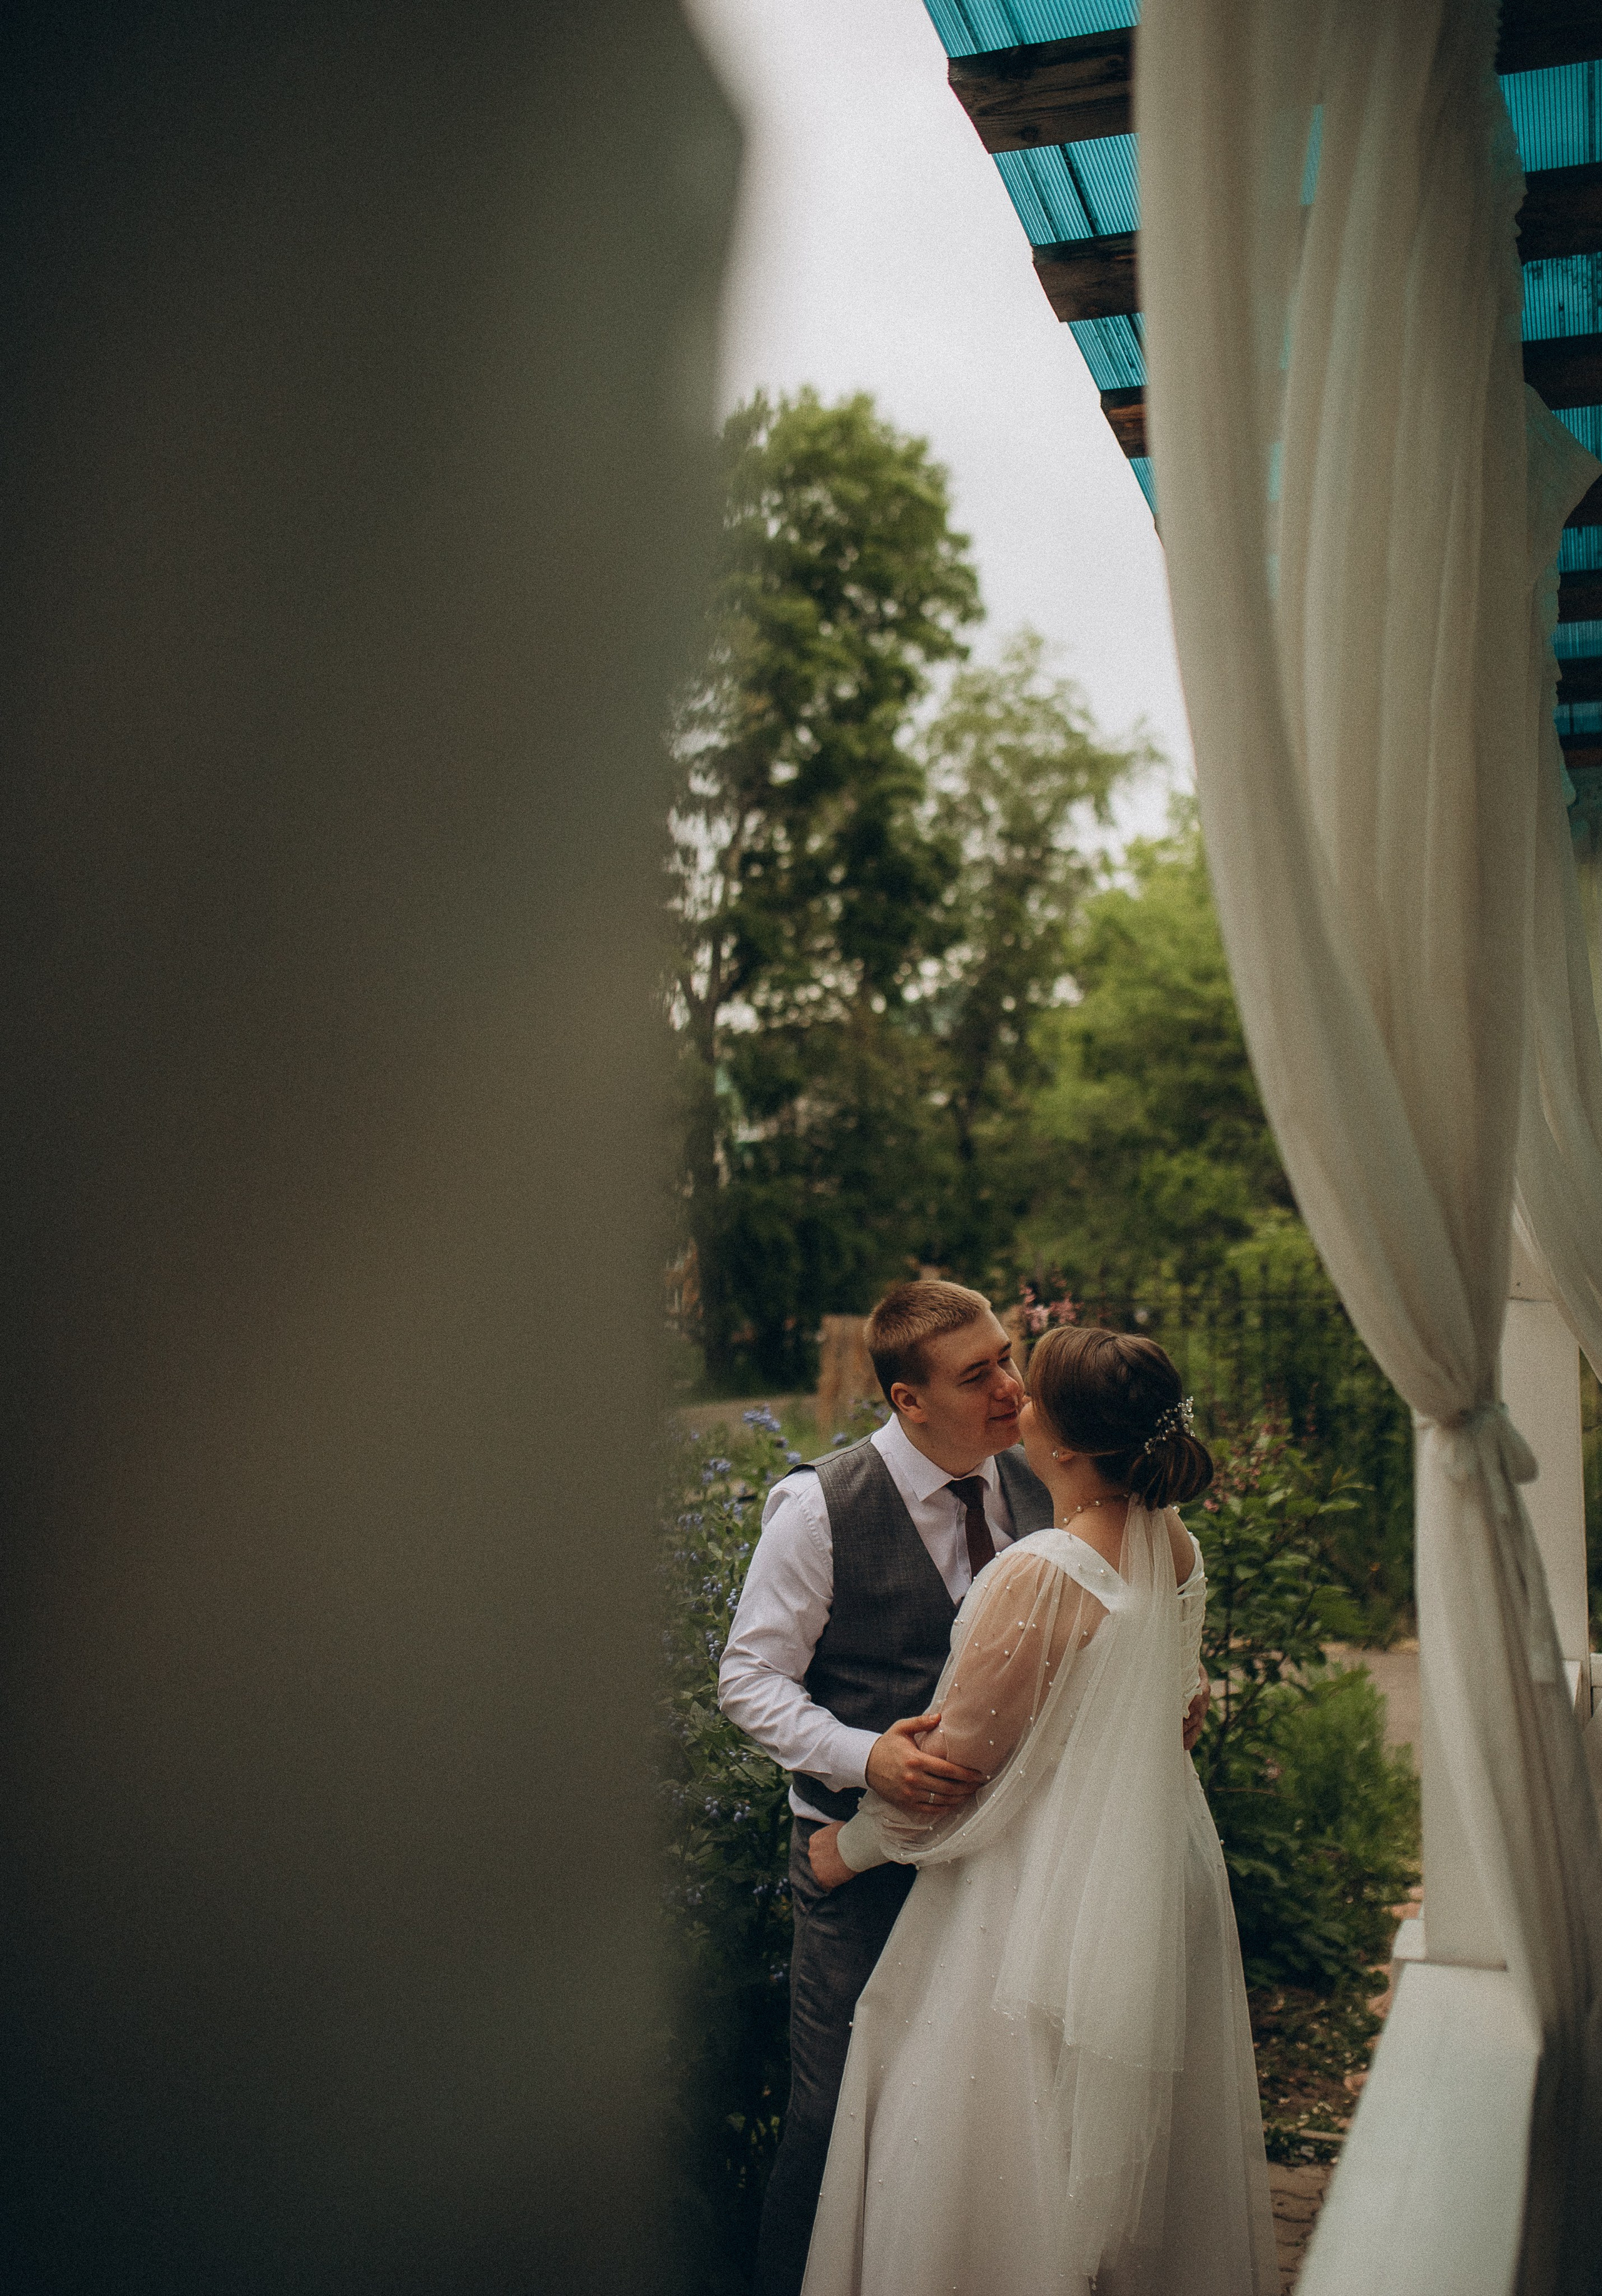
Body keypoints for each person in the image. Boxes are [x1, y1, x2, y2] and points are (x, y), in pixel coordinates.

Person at [718, 1284, 1210, 2296]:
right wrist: (864, 1758)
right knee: (834, 2126)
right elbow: (747, 1679)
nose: (1010, 1385)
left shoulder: (1051, 1481)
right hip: (863, 1866)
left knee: (997, 2130)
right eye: (978, 1372)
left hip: (1022, 1877)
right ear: (909, 1399)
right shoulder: (818, 1506)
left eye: (1008, 1356)